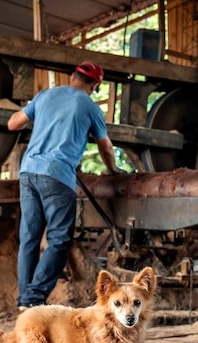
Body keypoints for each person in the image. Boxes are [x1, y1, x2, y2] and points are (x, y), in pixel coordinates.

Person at [7, 61, 123, 311]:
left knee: (30, 238)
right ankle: (34, 297)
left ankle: (24, 299)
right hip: (57, 176)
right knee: (58, 239)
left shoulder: (45, 95)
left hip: (28, 173)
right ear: (95, 86)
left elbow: (13, 124)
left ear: (72, 76)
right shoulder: (90, 107)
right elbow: (105, 147)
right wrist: (113, 171)